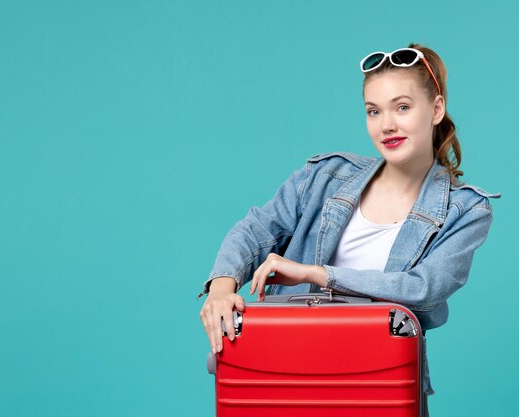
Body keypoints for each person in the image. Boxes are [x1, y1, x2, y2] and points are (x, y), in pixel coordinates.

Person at [198, 43, 500, 414]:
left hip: (376, 384)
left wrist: (317, 274)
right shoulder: (325, 176)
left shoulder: (466, 210)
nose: (387, 124)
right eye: (374, 111)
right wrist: (221, 288)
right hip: (283, 375)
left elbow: (423, 288)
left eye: (402, 107)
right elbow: (256, 229)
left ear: (436, 109)